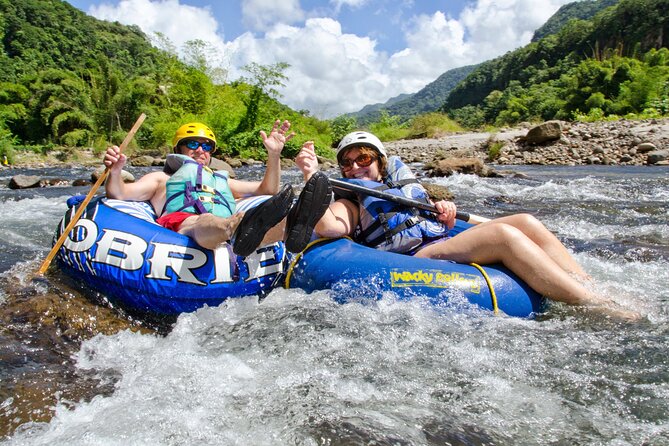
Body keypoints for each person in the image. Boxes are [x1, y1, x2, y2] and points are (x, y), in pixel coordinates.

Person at [295, 131, 640, 319]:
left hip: (435, 238)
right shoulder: (350, 200)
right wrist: (312, 176)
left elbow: (425, 215)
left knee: (525, 221)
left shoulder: (400, 186)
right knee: (504, 235)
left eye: (363, 158)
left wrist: (442, 210)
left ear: (381, 162)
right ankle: (593, 307)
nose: (355, 167)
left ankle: (588, 285)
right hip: (417, 256)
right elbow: (331, 228)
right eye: (347, 162)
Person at [104, 120, 332, 256]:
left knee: (271, 216)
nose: (200, 150)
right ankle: (236, 227)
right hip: (183, 223)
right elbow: (120, 193)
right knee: (200, 222)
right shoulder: (161, 178)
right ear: (178, 148)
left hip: (228, 230)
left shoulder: (221, 180)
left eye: (206, 146)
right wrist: (115, 171)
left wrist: (274, 155)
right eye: (192, 144)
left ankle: (293, 224)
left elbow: (268, 189)